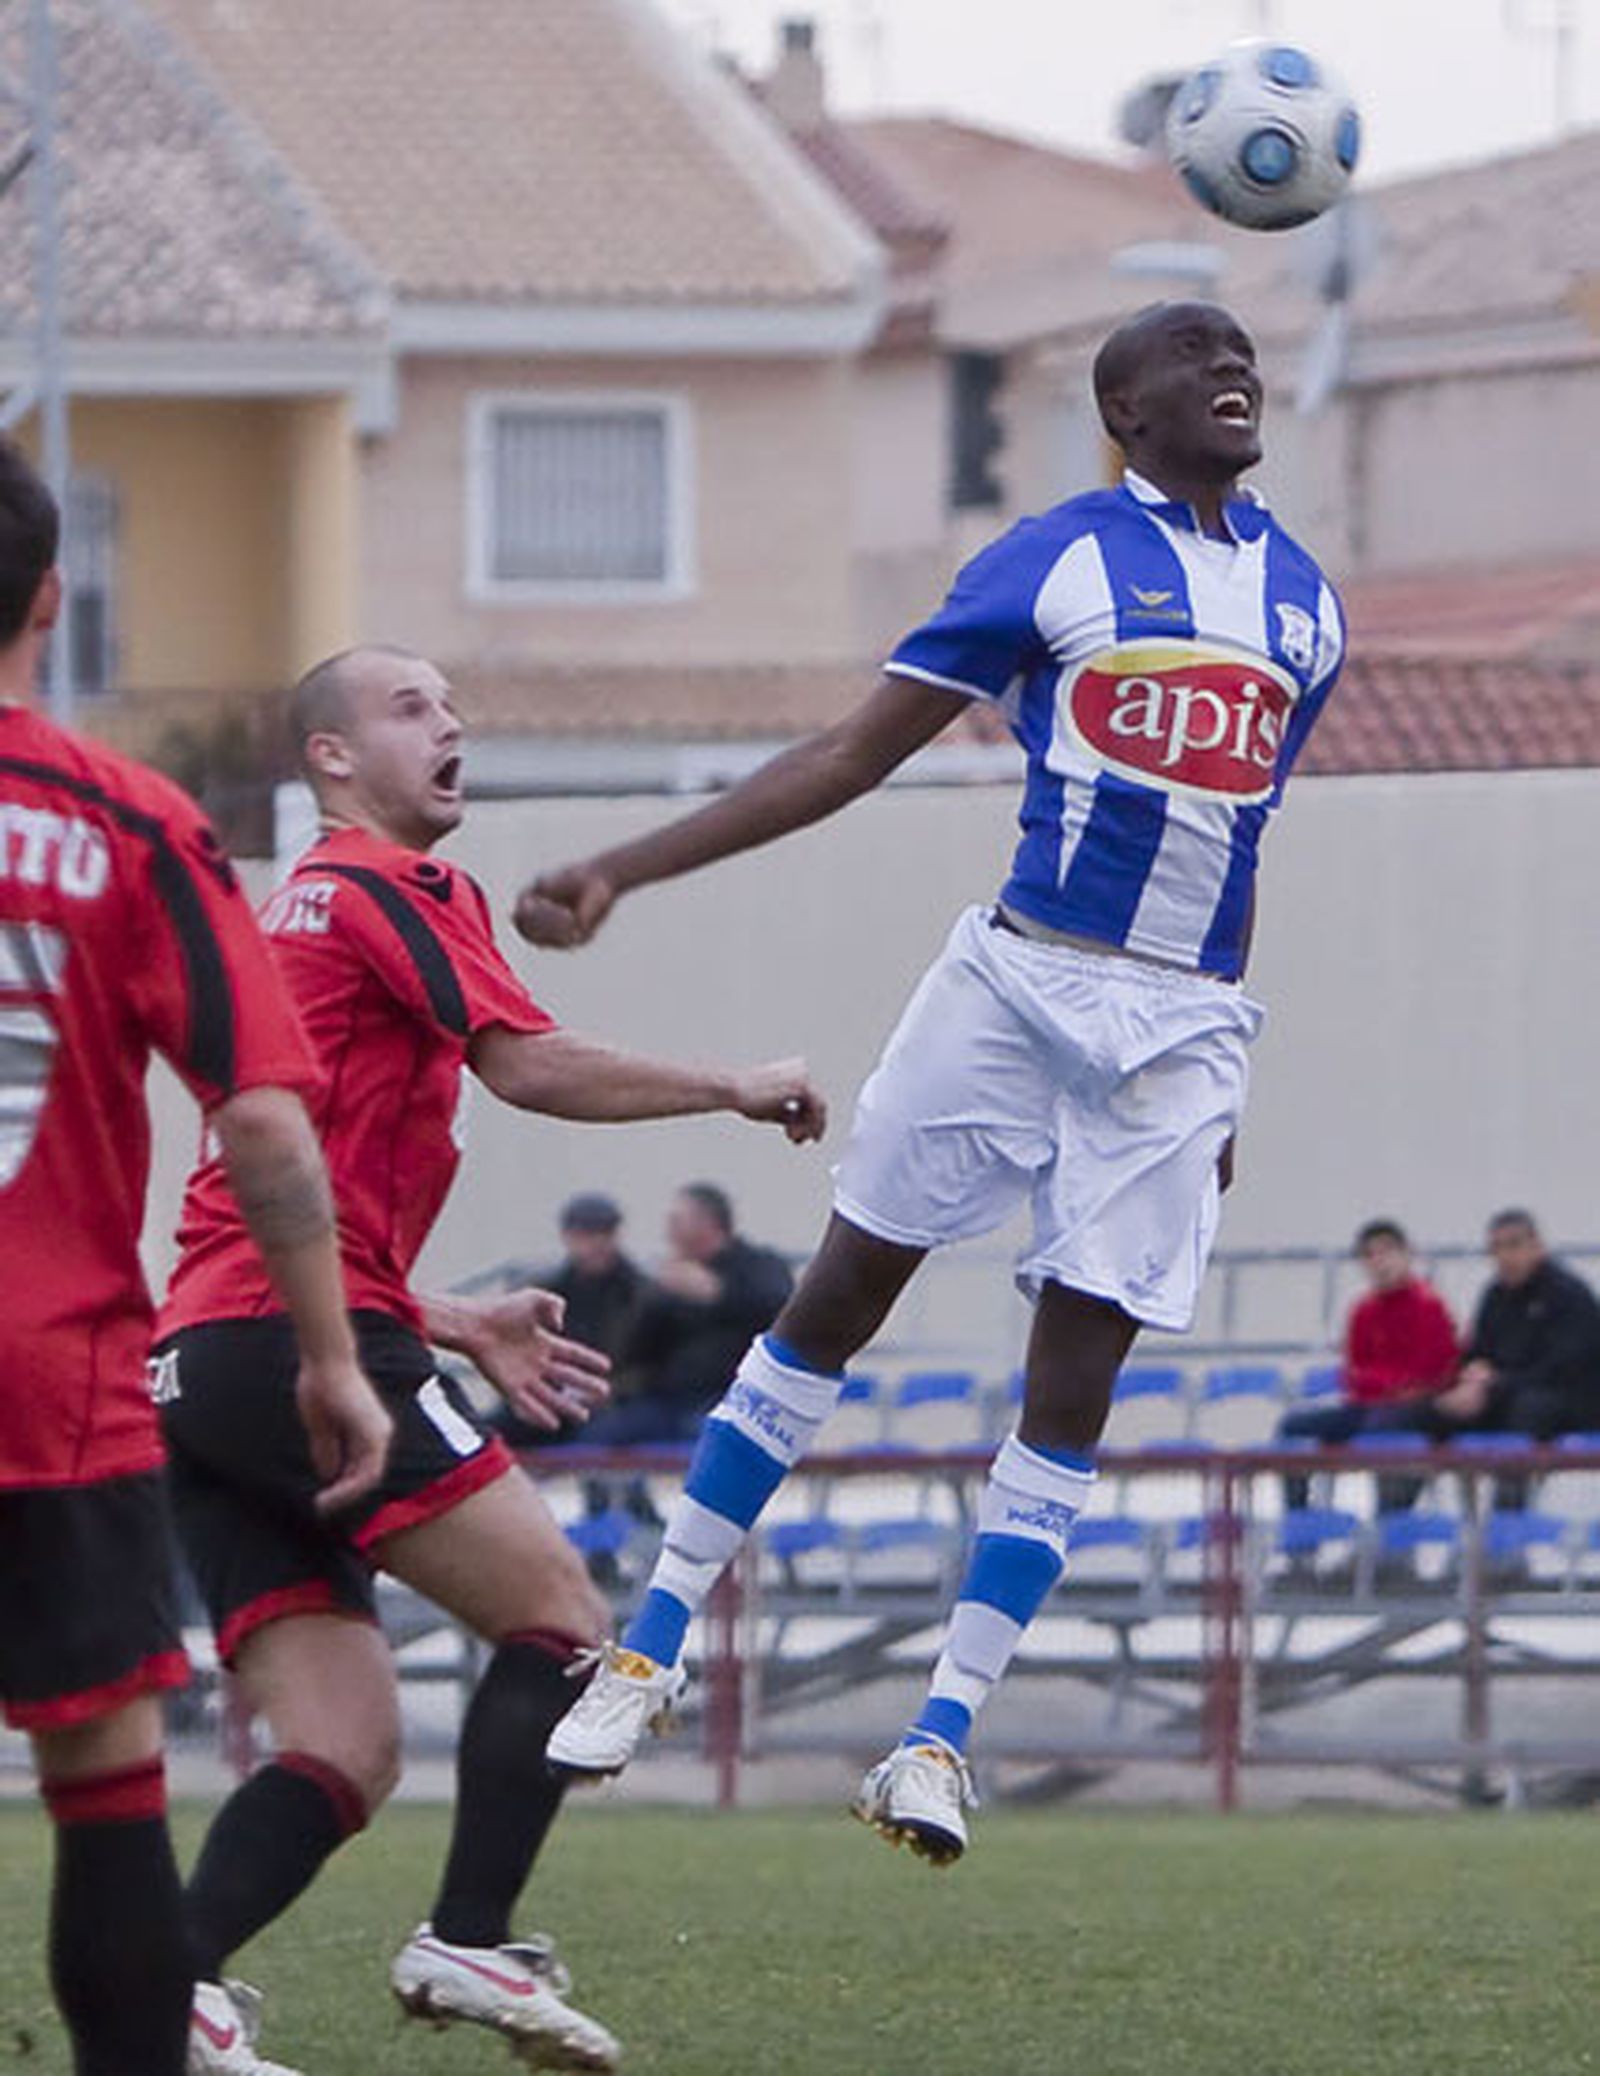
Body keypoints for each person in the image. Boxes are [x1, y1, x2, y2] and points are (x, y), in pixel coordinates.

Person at [517, 300, 1345, 1865]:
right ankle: (650, 1647)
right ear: (1124, 408)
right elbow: (846, 757)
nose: (1230, 368)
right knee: (836, 1298)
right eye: (1192, 356)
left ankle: (940, 1737)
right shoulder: (1053, 559)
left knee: (1076, 1384)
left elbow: (1236, 845)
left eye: (1240, 351)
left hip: (1183, 1031)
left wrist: (1225, 1073)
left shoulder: (1307, 608)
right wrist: (626, 866)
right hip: (1017, 984)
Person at [156, 644, 826, 2073]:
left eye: (452, 704)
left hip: (208, 1358)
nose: (449, 723)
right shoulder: (391, 885)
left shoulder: (303, 906)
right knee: (566, 1622)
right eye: (409, 706)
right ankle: (468, 1938)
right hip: (299, 1347)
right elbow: (524, 1061)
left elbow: (280, 1185)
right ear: (332, 758)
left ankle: (174, 1988)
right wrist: (731, 1084)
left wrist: (449, 1318)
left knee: (344, 1745)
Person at [0, 438, 390, 2076]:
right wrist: (331, 1359)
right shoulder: (130, 822)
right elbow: (268, 1125)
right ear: (50, 597)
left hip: (72, 1383)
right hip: (52, 1381)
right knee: (103, 1787)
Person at [1368, 1210, 1600, 1496]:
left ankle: (1508, 1514)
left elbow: (1565, 1369)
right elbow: (1477, 1352)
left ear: (1537, 1246)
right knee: (1424, 1413)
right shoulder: (1495, 1295)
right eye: (1496, 1248)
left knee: (1528, 1410)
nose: (1505, 1256)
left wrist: (1495, 1383)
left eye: (1513, 1245)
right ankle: (1396, 1513)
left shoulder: (1570, 1295)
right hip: (1501, 1393)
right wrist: (1469, 1383)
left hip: (1566, 1403)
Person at [1277, 1219, 1458, 1509]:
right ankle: (1300, 1523)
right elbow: (1355, 1371)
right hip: (1368, 1406)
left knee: (1385, 1429)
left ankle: (1390, 1523)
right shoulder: (1363, 1310)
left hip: (1413, 1408)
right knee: (1294, 1426)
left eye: (1386, 1251)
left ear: (1407, 1254)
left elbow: (1432, 1373)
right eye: (1370, 1255)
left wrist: (1386, 1385)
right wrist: (1383, 1384)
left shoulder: (1429, 1306)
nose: (1379, 1262)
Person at [491, 1193, 651, 1450]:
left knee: (602, 1436)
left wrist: (608, 1390)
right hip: (554, 1394)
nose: (597, 1243)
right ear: (568, 1237)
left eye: (604, 1233)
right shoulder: (548, 1292)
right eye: (586, 1234)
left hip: (616, 1402)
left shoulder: (642, 1294)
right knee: (494, 1432)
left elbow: (652, 1367)